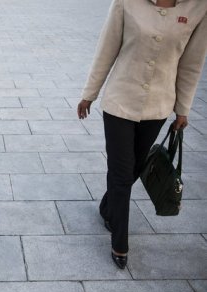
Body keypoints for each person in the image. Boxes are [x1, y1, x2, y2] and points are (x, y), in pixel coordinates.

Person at [77, 0, 207, 269]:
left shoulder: (199, 7)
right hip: (120, 102)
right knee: (121, 172)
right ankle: (120, 243)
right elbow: (106, 49)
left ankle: (107, 207)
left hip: (158, 107)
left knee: (136, 166)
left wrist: (182, 109)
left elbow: (191, 63)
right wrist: (90, 94)